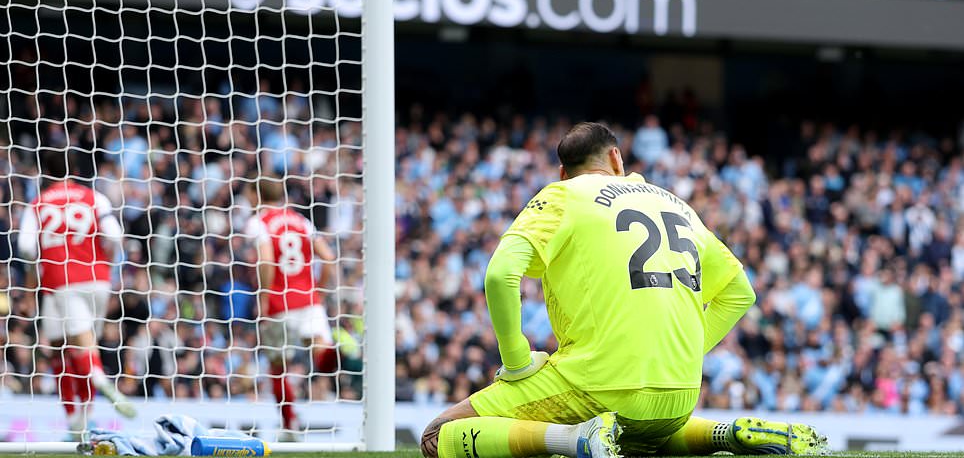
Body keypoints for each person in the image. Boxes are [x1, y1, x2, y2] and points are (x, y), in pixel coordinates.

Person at [420, 123, 829, 458]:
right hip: (680, 394)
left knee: (439, 436)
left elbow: (499, 275)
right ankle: (728, 433)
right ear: (616, 158)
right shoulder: (675, 202)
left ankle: (576, 439)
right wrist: (683, 350)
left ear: (563, 173)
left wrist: (517, 364)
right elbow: (741, 293)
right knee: (637, 438)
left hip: (598, 383)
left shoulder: (563, 195)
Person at [17, 149, 136, 437]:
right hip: (98, 279)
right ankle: (80, 422)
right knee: (66, 344)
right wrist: (103, 258)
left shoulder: (37, 204)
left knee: (67, 350)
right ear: (76, 171)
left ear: (45, 173)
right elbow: (115, 236)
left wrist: (36, 273)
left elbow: (25, 247)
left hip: (60, 280)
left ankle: (97, 379)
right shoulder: (96, 197)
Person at [244, 177, 337, 441]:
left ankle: (289, 424)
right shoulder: (301, 221)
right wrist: (319, 287)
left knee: (277, 366)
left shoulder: (258, 222)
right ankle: (336, 369)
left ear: (257, 193)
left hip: (278, 303)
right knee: (320, 348)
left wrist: (263, 296)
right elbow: (329, 257)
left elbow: (266, 259)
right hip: (309, 300)